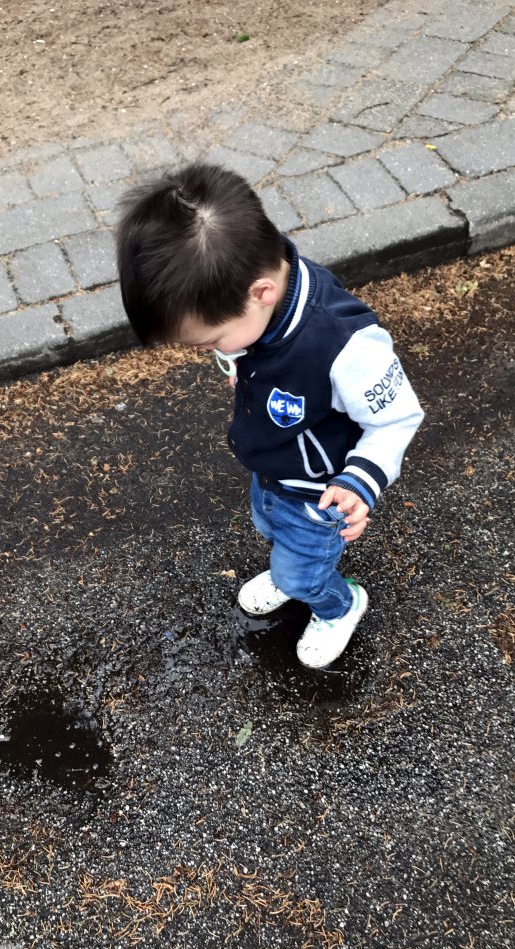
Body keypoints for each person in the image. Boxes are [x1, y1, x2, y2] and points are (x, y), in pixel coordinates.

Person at [115, 163, 424, 669]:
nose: (212, 351)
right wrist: (237, 359)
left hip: (318, 492)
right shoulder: (256, 294)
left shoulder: (345, 346)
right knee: (268, 525)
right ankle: (288, 571)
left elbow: (396, 418)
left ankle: (338, 605)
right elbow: (247, 349)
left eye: (213, 340)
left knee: (306, 571)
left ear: (260, 292)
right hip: (271, 466)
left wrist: (362, 480)